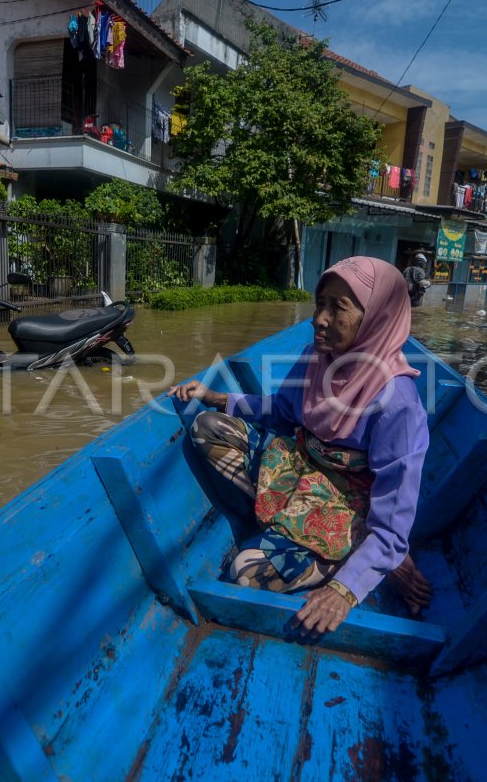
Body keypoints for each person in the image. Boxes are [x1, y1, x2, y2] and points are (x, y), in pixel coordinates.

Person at [167, 256, 432, 640]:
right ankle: (288, 529)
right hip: (300, 468)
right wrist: (219, 397)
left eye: (337, 307)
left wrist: (345, 590)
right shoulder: (317, 358)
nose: (319, 319)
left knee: (245, 571)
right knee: (208, 428)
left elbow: (393, 522)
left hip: (348, 509)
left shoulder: (398, 405)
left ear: (376, 317)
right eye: (320, 303)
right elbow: (283, 411)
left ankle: (361, 560)